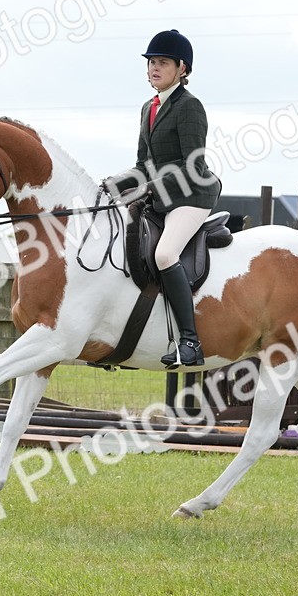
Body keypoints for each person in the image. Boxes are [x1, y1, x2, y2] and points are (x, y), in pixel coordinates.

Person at [105, 29, 221, 367]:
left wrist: (152, 185)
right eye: (151, 62)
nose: (154, 68)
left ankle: (190, 341)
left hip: (191, 196)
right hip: (159, 196)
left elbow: (194, 165)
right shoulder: (148, 108)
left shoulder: (190, 107)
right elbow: (143, 164)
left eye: (162, 62)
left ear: (182, 68)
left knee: (165, 252)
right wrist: (111, 185)